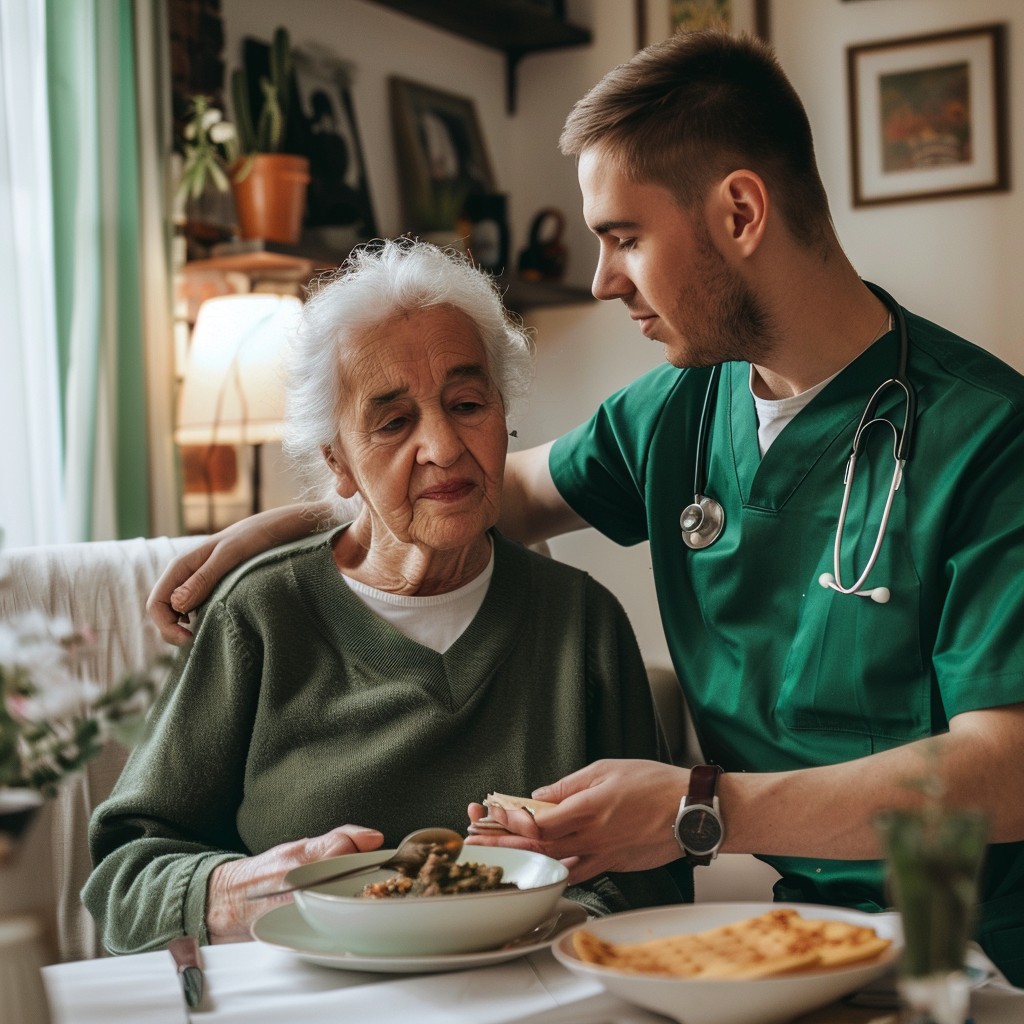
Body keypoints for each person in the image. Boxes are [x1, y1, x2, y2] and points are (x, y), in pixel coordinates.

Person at [145, 32, 1024, 983]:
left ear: (739, 211)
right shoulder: (682, 408)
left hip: (974, 946)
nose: (604, 280)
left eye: (625, 237)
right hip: (802, 939)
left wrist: (702, 807)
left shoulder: (987, 436)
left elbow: (1006, 771)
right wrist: (292, 520)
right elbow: (492, 490)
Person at [84, 239, 685, 954]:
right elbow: (127, 878)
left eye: (467, 404)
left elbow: (655, 882)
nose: (443, 445)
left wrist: (521, 912)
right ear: (337, 462)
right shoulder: (259, 618)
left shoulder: (580, 623)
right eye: (394, 422)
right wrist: (236, 892)